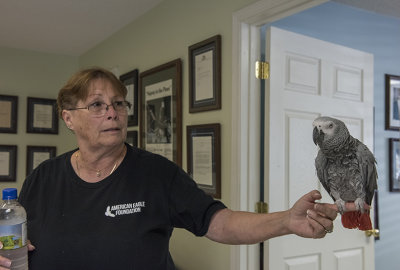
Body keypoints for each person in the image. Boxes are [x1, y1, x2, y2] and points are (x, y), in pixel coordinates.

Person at [0, 67, 363, 270]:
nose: (112, 112)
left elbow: (217, 222)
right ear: (68, 118)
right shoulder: (43, 177)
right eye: (96, 105)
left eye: (118, 103)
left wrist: (285, 221)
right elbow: (17, 239)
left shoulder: (156, 174)